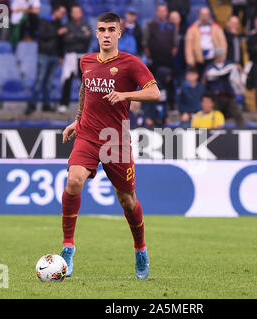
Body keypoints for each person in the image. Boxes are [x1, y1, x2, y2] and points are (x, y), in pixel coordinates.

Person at [60, 12, 161, 280]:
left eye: (111, 30)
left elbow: (154, 92)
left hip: (117, 140)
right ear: (96, 33)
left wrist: (126, 94)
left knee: (127, 200)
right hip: (88, 135)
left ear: (119, 33)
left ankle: (140, 248)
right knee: (74, 182)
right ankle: (68, 248)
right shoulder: (86, 61)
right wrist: (77, 120)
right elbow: (85, 90)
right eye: (101, 29)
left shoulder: (130, 63)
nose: (105, 34)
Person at [25, 4, 67, 115]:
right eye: (61, 12)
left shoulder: (59, 24)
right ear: (55, 11)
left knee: (48, 82)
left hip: (54, 56)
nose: (63, 15)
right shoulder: (44, 22)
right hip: (44, 54)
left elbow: (61, 42)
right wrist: (56, 33)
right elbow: (42, 35)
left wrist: (61, 56)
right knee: (39, 79)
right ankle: (32, 104)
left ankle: (46, 104)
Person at [58, 4, 91, 113]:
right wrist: (80, 35)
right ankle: (63, 104)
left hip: (82, 57)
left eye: (78, 11)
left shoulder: (86, 25)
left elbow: (87, 38)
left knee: (85, 83)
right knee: (67, 80)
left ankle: (87, 106)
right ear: (71, 14)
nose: (76, 14)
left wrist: (73, 35)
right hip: (70, 56)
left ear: (81, 13)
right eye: (74, 12)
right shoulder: (67, 25)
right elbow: (66, 40)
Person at [202, 46, 244, 127]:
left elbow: (235, 77)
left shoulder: (229, 65)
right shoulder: (210, 67)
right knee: (213, 115)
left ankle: (242, 130)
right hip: (215, 96)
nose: (223, 57)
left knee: (238, 113)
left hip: (228, 95)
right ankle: (212, 132)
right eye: (221, 55)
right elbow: (206, 79)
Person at [184, 6, 227, 77]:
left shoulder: (216, 28)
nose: (204, 17)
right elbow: (188, 46)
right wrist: (190, 60)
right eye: (202, 14)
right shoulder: (192, 29)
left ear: (209, 16)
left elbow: (223, 43)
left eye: (206, 15)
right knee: (201, 80)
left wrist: (222, 56)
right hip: (198, 60)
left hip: (213, 59)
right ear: (199, 15)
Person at [142, 3, 178, 75]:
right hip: (153, 59)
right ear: (156, 12)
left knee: (167, 80)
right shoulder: (150, 25)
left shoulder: (172, 26)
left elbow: (175, 43)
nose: (162, 13)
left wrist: (174, 49)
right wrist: (147, 52)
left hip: (168, 59)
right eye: (160, 11)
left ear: (167, 12)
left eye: (164, 11)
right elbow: (145, 42)